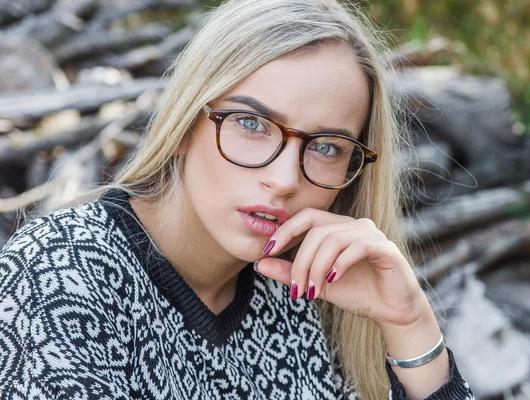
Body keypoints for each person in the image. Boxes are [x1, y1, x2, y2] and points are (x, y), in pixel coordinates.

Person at [0, 0, 475, 399]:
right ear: (185, 121)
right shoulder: (57, 274)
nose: (285, 178)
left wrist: (410, 325)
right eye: (252, 124)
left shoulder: (309, 297)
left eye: (327, 146)